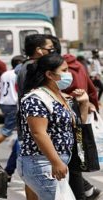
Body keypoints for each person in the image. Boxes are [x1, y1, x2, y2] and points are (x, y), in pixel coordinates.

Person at [17, 53, 88, 200]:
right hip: (41, 163)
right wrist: (55, 162)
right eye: (64, 70)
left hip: (58, 162)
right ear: (49, 74)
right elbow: (38, 133)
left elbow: (76, 128)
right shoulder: (36, 98)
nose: (69, 74)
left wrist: (84, 103)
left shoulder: (60, 97)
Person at [15, 34, 55, 200]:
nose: (52, 52)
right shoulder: (33, 68)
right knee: (36, 169)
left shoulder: (25, 66)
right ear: (39, 50)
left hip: (28, 124)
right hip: (34, 125)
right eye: (50, 49)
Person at [63, 54, 102, 200]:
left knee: (74, 165)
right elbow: (91, 90)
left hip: (73, 117)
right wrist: (93, 104)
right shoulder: (80, 67)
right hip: (79, 118)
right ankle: (87, 191)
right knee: (76, 164)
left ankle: (84, 193)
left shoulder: (63, 72)